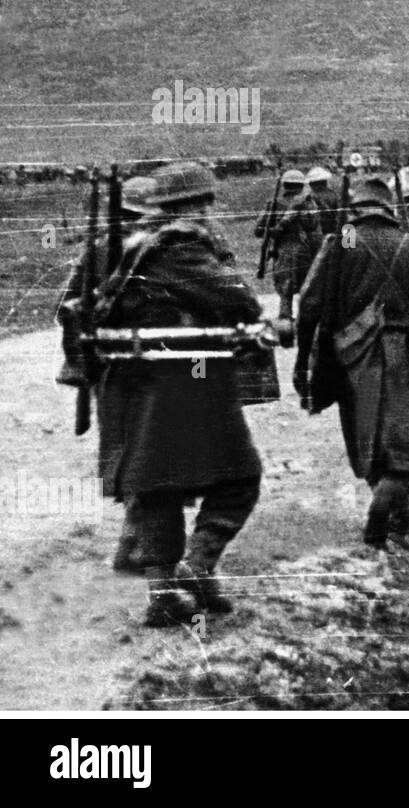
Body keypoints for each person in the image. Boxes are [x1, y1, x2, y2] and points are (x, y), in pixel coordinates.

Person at [92, 162, 265, 627]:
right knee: (241, 477)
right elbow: (238, 299)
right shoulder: (181, 245)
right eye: (207, 203)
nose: (211, 211)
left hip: (136, 381)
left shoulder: (139, 243)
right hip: (184, 379)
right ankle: (199, 565)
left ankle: (164, 596)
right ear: (197, 205)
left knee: (158, 487)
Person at [295, 178, 409, 551]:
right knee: (406, 440)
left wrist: (303, 361)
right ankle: (388, 516)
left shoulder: (345, 240)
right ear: (389, 208)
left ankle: (395, 515)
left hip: (352, 353)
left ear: (356, 208)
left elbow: (309, 304)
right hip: (405, 352)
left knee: (367, 438)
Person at [56, 175, 157, 575]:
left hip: (109, 368)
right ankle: (136, 540)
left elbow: (67, 307)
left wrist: (83, 354)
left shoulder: (98, 249)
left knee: (124, 446)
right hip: (151, 365)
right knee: (153, 448)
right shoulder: (157, 249)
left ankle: (133, 538)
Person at [254, 169, 323, 325]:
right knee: (307, 285)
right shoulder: (307, 202)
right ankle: (305, 318)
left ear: (285, 185)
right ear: (301, 185)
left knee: (285, 286)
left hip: (281, 250)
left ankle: (285, 317)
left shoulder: (273, 204)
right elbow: (312, 225)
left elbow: (258, 230)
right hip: (303, 248)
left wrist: (272, 231)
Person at [306, 165, 342, 236]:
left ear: (311, 184)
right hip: (333, 229)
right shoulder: (333, 194)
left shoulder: (310, 197)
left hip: (318, 231)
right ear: (325, 182)